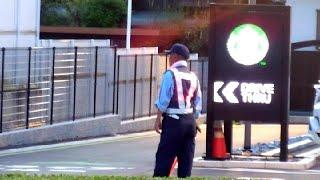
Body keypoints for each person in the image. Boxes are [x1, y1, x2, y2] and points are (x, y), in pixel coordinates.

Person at [153, 43, 202, 178]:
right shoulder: (193, 76)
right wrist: (194, 119)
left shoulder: (171, 74)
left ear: (175, 56)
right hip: (190, 122)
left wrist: (158, 119)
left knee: (164, 158)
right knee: (186, 160)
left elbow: (164, 100)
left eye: (170, 55)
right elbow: (198, 102)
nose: (169, 58)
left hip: (174, 121)